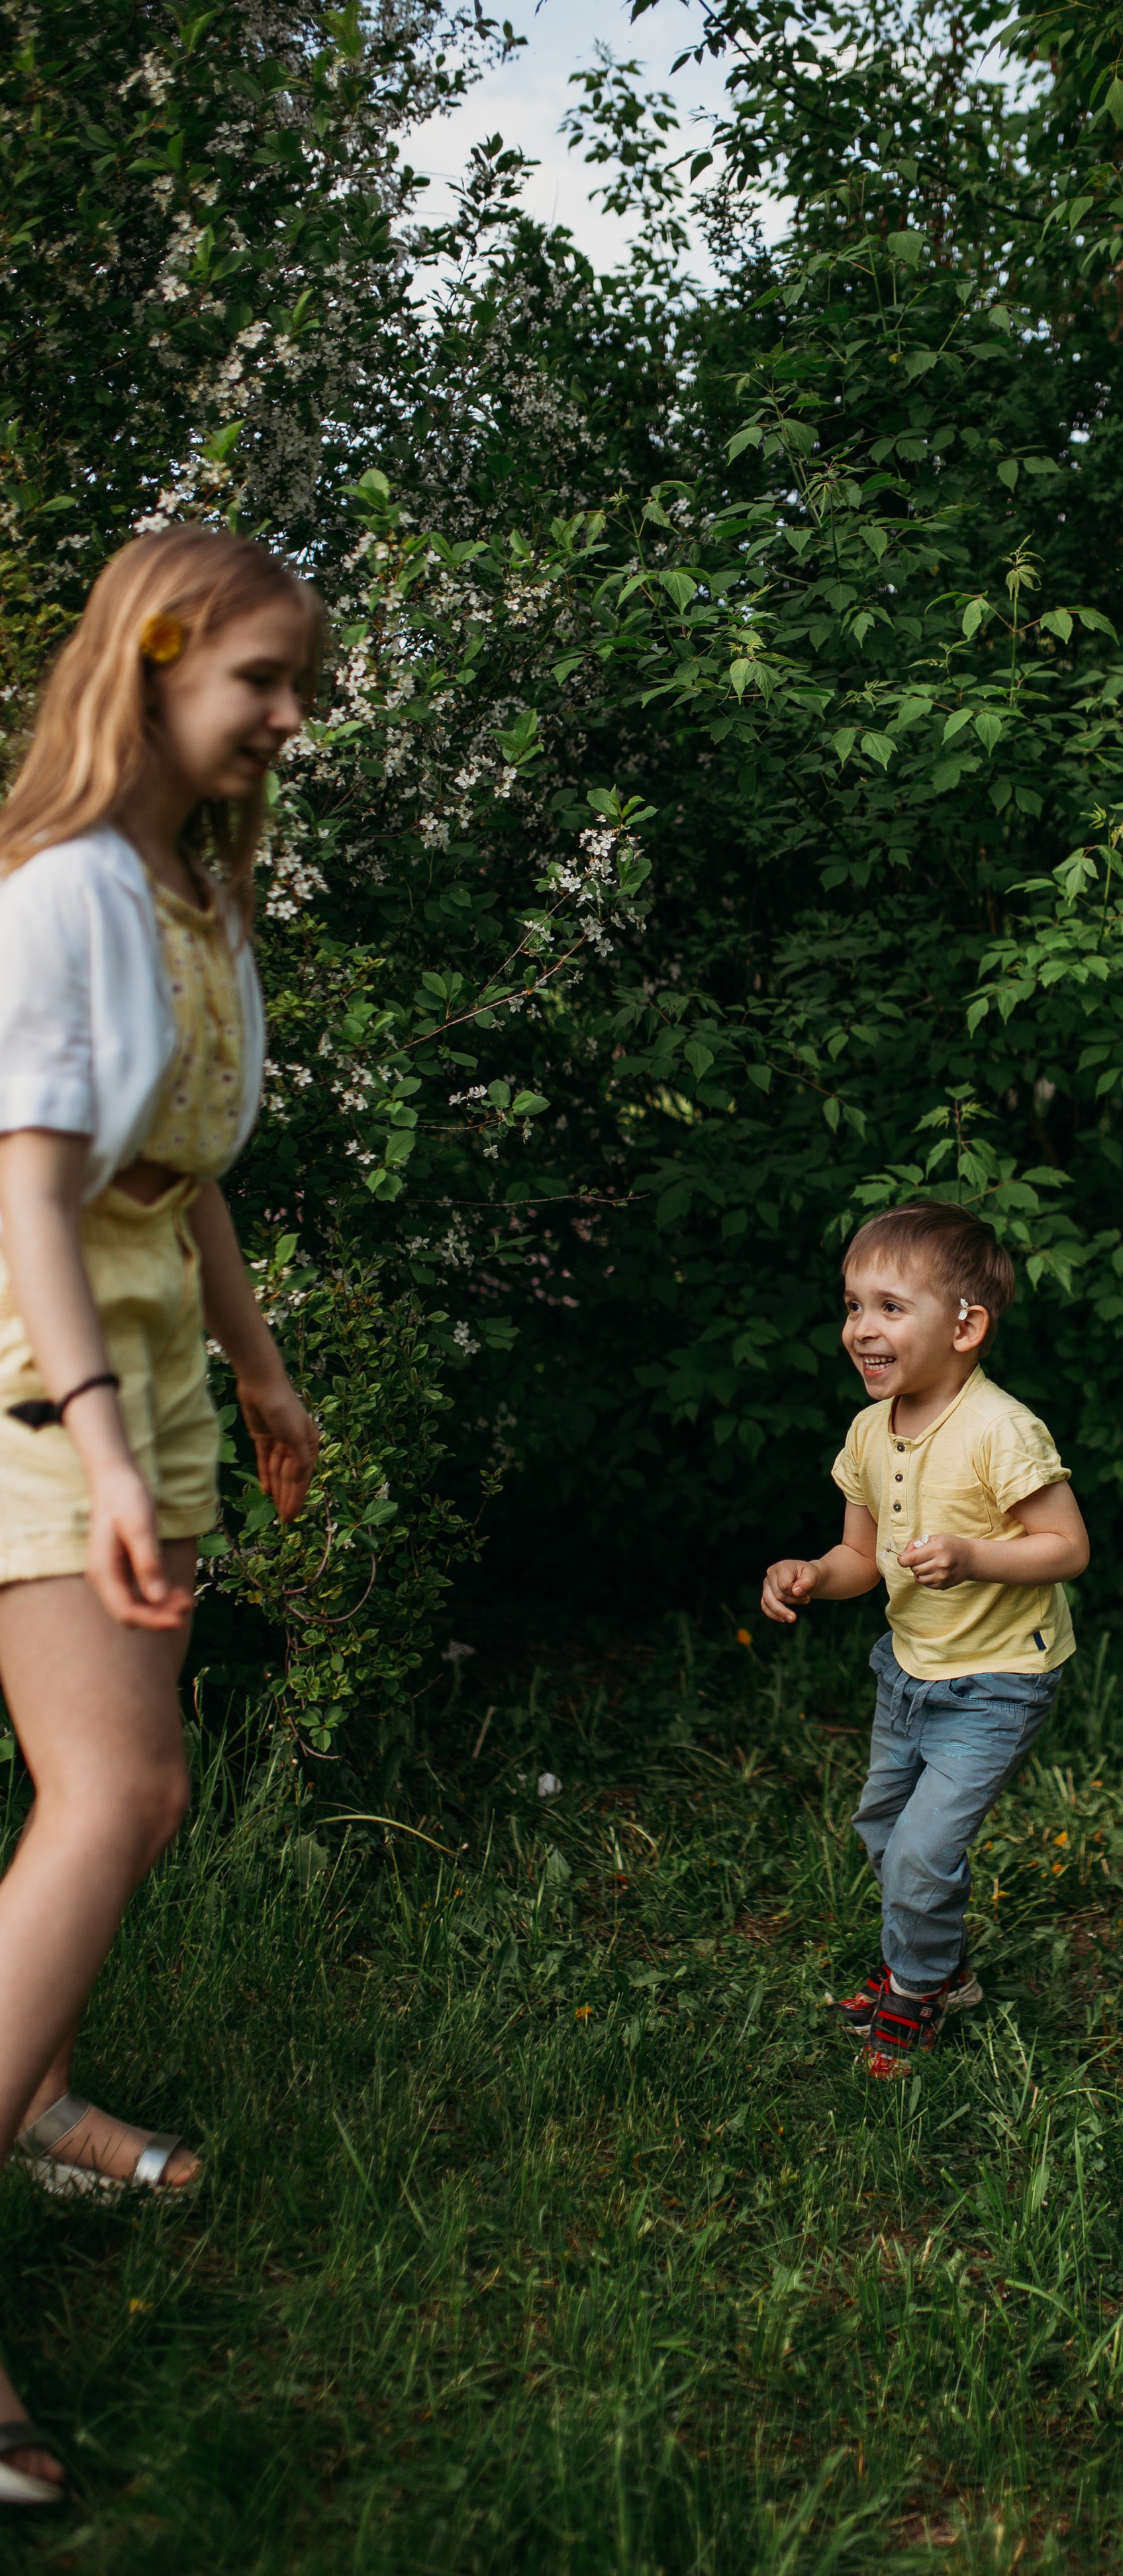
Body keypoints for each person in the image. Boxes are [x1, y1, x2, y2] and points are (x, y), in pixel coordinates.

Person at [0, 526, 322, 2503]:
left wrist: (260, 1369)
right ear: (159, 659)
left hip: (155, 1381)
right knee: (120, 1792)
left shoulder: (189, 891)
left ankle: (29, 2089)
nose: (291, 721)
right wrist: (103, 1441)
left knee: (104, 1794)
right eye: (264, 682)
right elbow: (26, 1187)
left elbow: (181, 1170)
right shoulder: (56, 897)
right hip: (40, 1382)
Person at [760, 1201, 1089, 2078]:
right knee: (881, 1828)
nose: (861, 1328)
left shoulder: (999, 1431)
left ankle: (916, 1989)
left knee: (922, 1847)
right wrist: (811, 1574)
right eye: (851, 1305)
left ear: (967, 1325)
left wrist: (975, 1555)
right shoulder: (871, 1431)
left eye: (890, 1307)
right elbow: (860, 1560)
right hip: (906, 1673)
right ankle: (939, 1966)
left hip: (998, 1682)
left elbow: (1069, 1548)